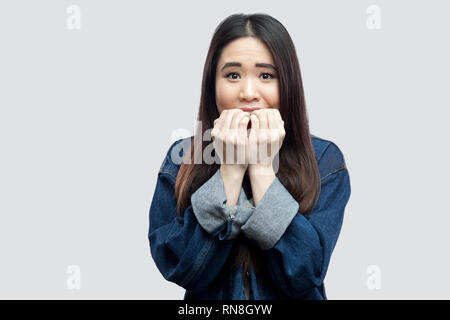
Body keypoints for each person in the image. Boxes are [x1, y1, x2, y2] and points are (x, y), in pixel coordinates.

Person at [148, 13, 351, 300]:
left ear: (288, 84)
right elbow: (180, 267)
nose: (248, 93)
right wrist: (230, 170)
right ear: (212, 85)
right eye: (232, 75)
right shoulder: (183, 158)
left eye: (266, 75)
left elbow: (305, 272)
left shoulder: (324, 160)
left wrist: (260, 167)